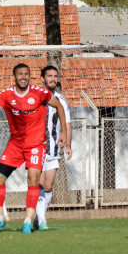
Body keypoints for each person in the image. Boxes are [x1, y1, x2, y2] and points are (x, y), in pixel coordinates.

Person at [0, 63, 67, 234]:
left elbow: (59, 106)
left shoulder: (40, 93)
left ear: (29, 76)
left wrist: (63, 132)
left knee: (33, 179)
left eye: (26, 74)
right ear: (14, 76)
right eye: (20, 74)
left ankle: (28, 220)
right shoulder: (7, 95)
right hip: (15, 144)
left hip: (36, 144)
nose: (23, 77)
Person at [34, 66, 72, 231]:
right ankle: (42, 220)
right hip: (36, 149)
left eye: (55, 76)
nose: (53, 79)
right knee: (39, 183)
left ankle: (39, 216)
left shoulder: (62, 101)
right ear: (42, 78)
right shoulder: (34, 98)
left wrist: (68, 145)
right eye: (49, 76)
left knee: (48, 186)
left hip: (54, 150)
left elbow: (67, 126)